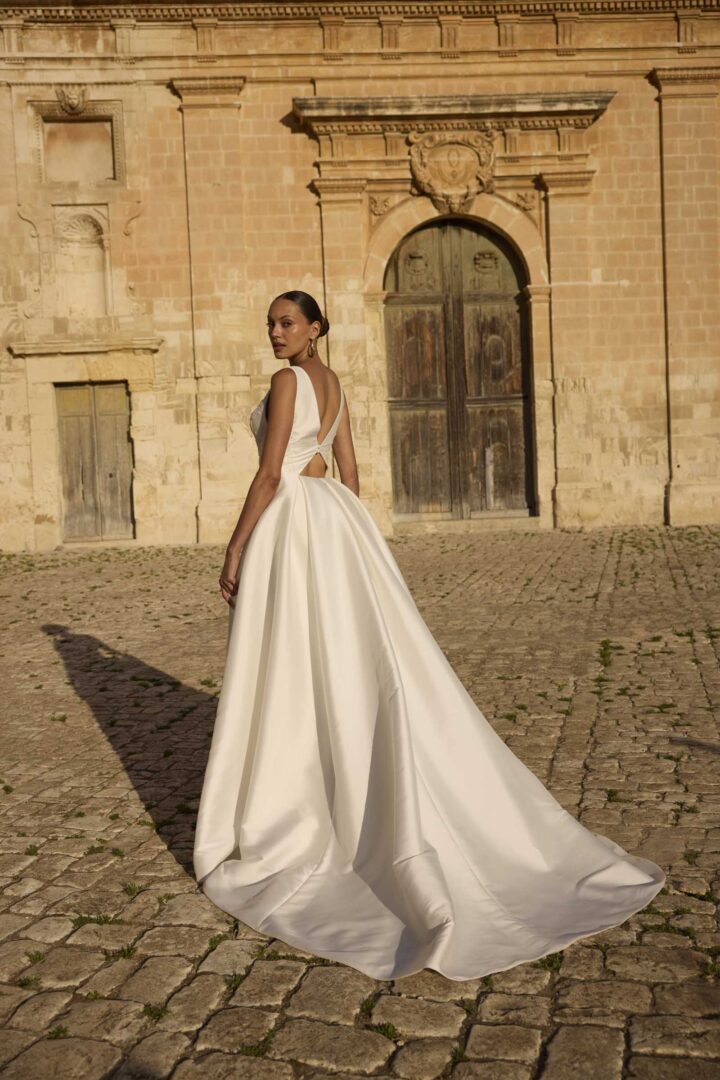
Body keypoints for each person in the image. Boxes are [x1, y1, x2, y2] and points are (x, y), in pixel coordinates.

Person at [193, 290, 664, 981]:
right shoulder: (335, 383)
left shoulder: (287, 380)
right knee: (343, 659)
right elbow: (351, 473)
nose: (275, 332)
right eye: (270, 323)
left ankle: (304, 786)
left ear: (315, 327)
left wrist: (236, 548)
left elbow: (269, 474)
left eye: (286, 322)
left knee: (294, 663)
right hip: (335, 520)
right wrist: (351, 541)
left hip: (293, 523)